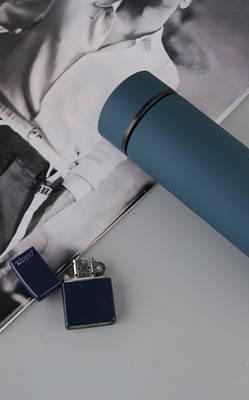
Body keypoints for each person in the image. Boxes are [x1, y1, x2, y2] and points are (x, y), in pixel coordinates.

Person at [0, 0, 192, 325]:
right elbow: (7, 15)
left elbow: (104, 157)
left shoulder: (162, 74)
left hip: (32, 174)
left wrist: (39, 216)